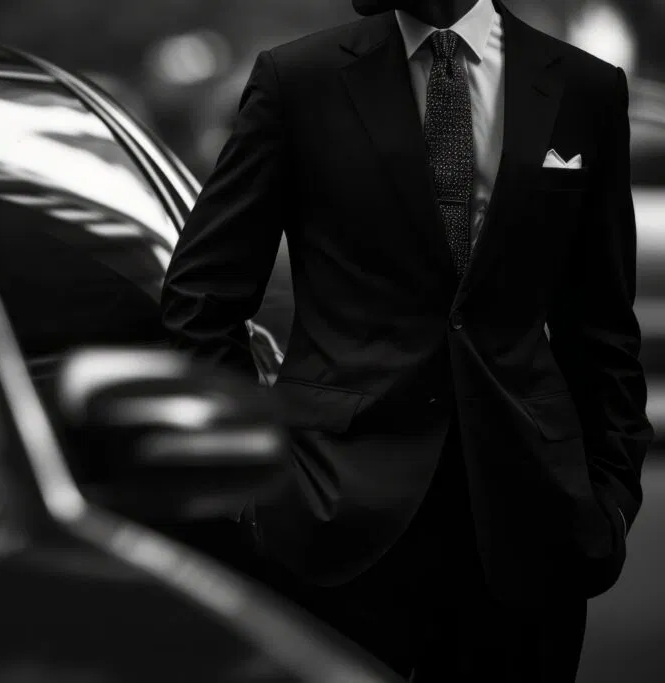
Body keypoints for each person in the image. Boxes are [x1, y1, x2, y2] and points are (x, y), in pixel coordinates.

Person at [160, 0, 653, 680]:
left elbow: (601, 323)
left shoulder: (584, 86)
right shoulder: (298, 79)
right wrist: (253, 485)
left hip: (531, 523)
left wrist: (612, 496)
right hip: (331, 518)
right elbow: (200, 299)